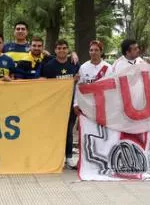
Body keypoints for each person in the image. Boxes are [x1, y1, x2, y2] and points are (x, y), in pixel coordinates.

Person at [40, 40, 81, 168]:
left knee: (68, 131)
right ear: (55, 50)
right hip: (55, 105)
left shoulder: (74, 64)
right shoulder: (49, 66)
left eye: (64, 48)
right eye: (59, 48)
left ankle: (68, 157)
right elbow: (45, 85)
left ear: (68, 50)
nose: (62, 50)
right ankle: (54, 157)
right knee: (55, 131)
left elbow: (80, 81)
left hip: (70, 104)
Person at [76, 40, 111, 166]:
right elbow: (78, 87)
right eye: (91, 50)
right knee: (86, 132)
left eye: (96, 50)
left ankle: (103, 158)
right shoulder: (83, 67)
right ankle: (84, 160)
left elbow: (111, 87)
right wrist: (76, 103)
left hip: (102, 106)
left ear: (101, 52)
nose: (93, 53)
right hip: (86, 106)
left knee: (102, 133)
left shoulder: (108, 68)